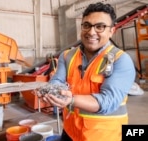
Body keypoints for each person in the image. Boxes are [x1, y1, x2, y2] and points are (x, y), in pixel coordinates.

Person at [38, 2, 136, 141]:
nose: (91, 32)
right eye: (87, 25)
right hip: (71, 132)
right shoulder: (67, 56)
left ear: (111, 31)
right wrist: (51, 92)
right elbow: (57, 81)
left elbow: (108, 101)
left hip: (103, 136)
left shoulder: (121, 60)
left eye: (100, 27)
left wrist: (71, 100)